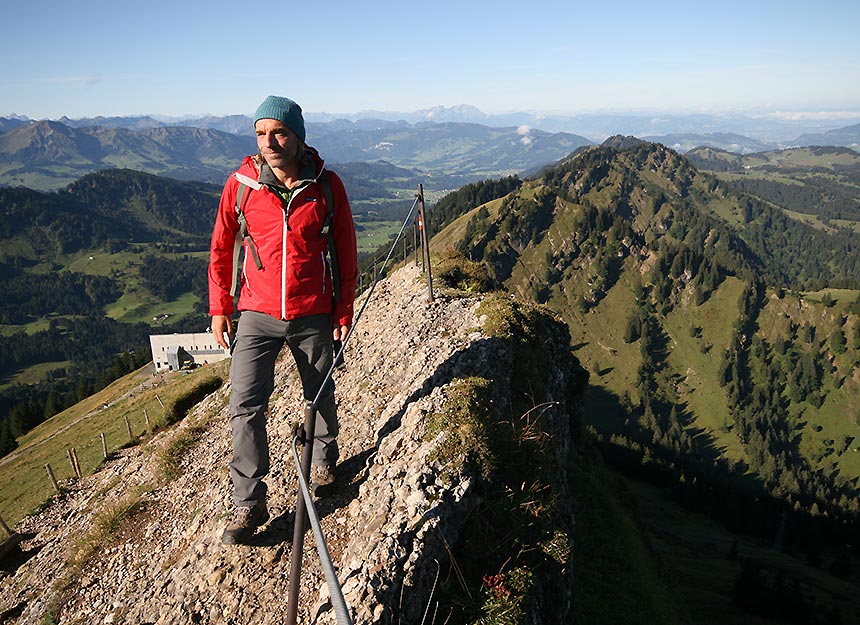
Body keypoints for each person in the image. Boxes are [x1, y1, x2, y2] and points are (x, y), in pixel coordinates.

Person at [208, 95, 358, 544]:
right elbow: (221, 247)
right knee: (246, 405)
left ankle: (324, 461)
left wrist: (343, 307)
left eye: (279, 132)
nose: (269, 142)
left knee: (320, 391)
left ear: (298, 137)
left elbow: (345, 250)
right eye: (260, 133)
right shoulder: (241, 185)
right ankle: (249, 504)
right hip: (255, 312)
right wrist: (220, 306)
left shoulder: (327, 186)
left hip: (312, 307)